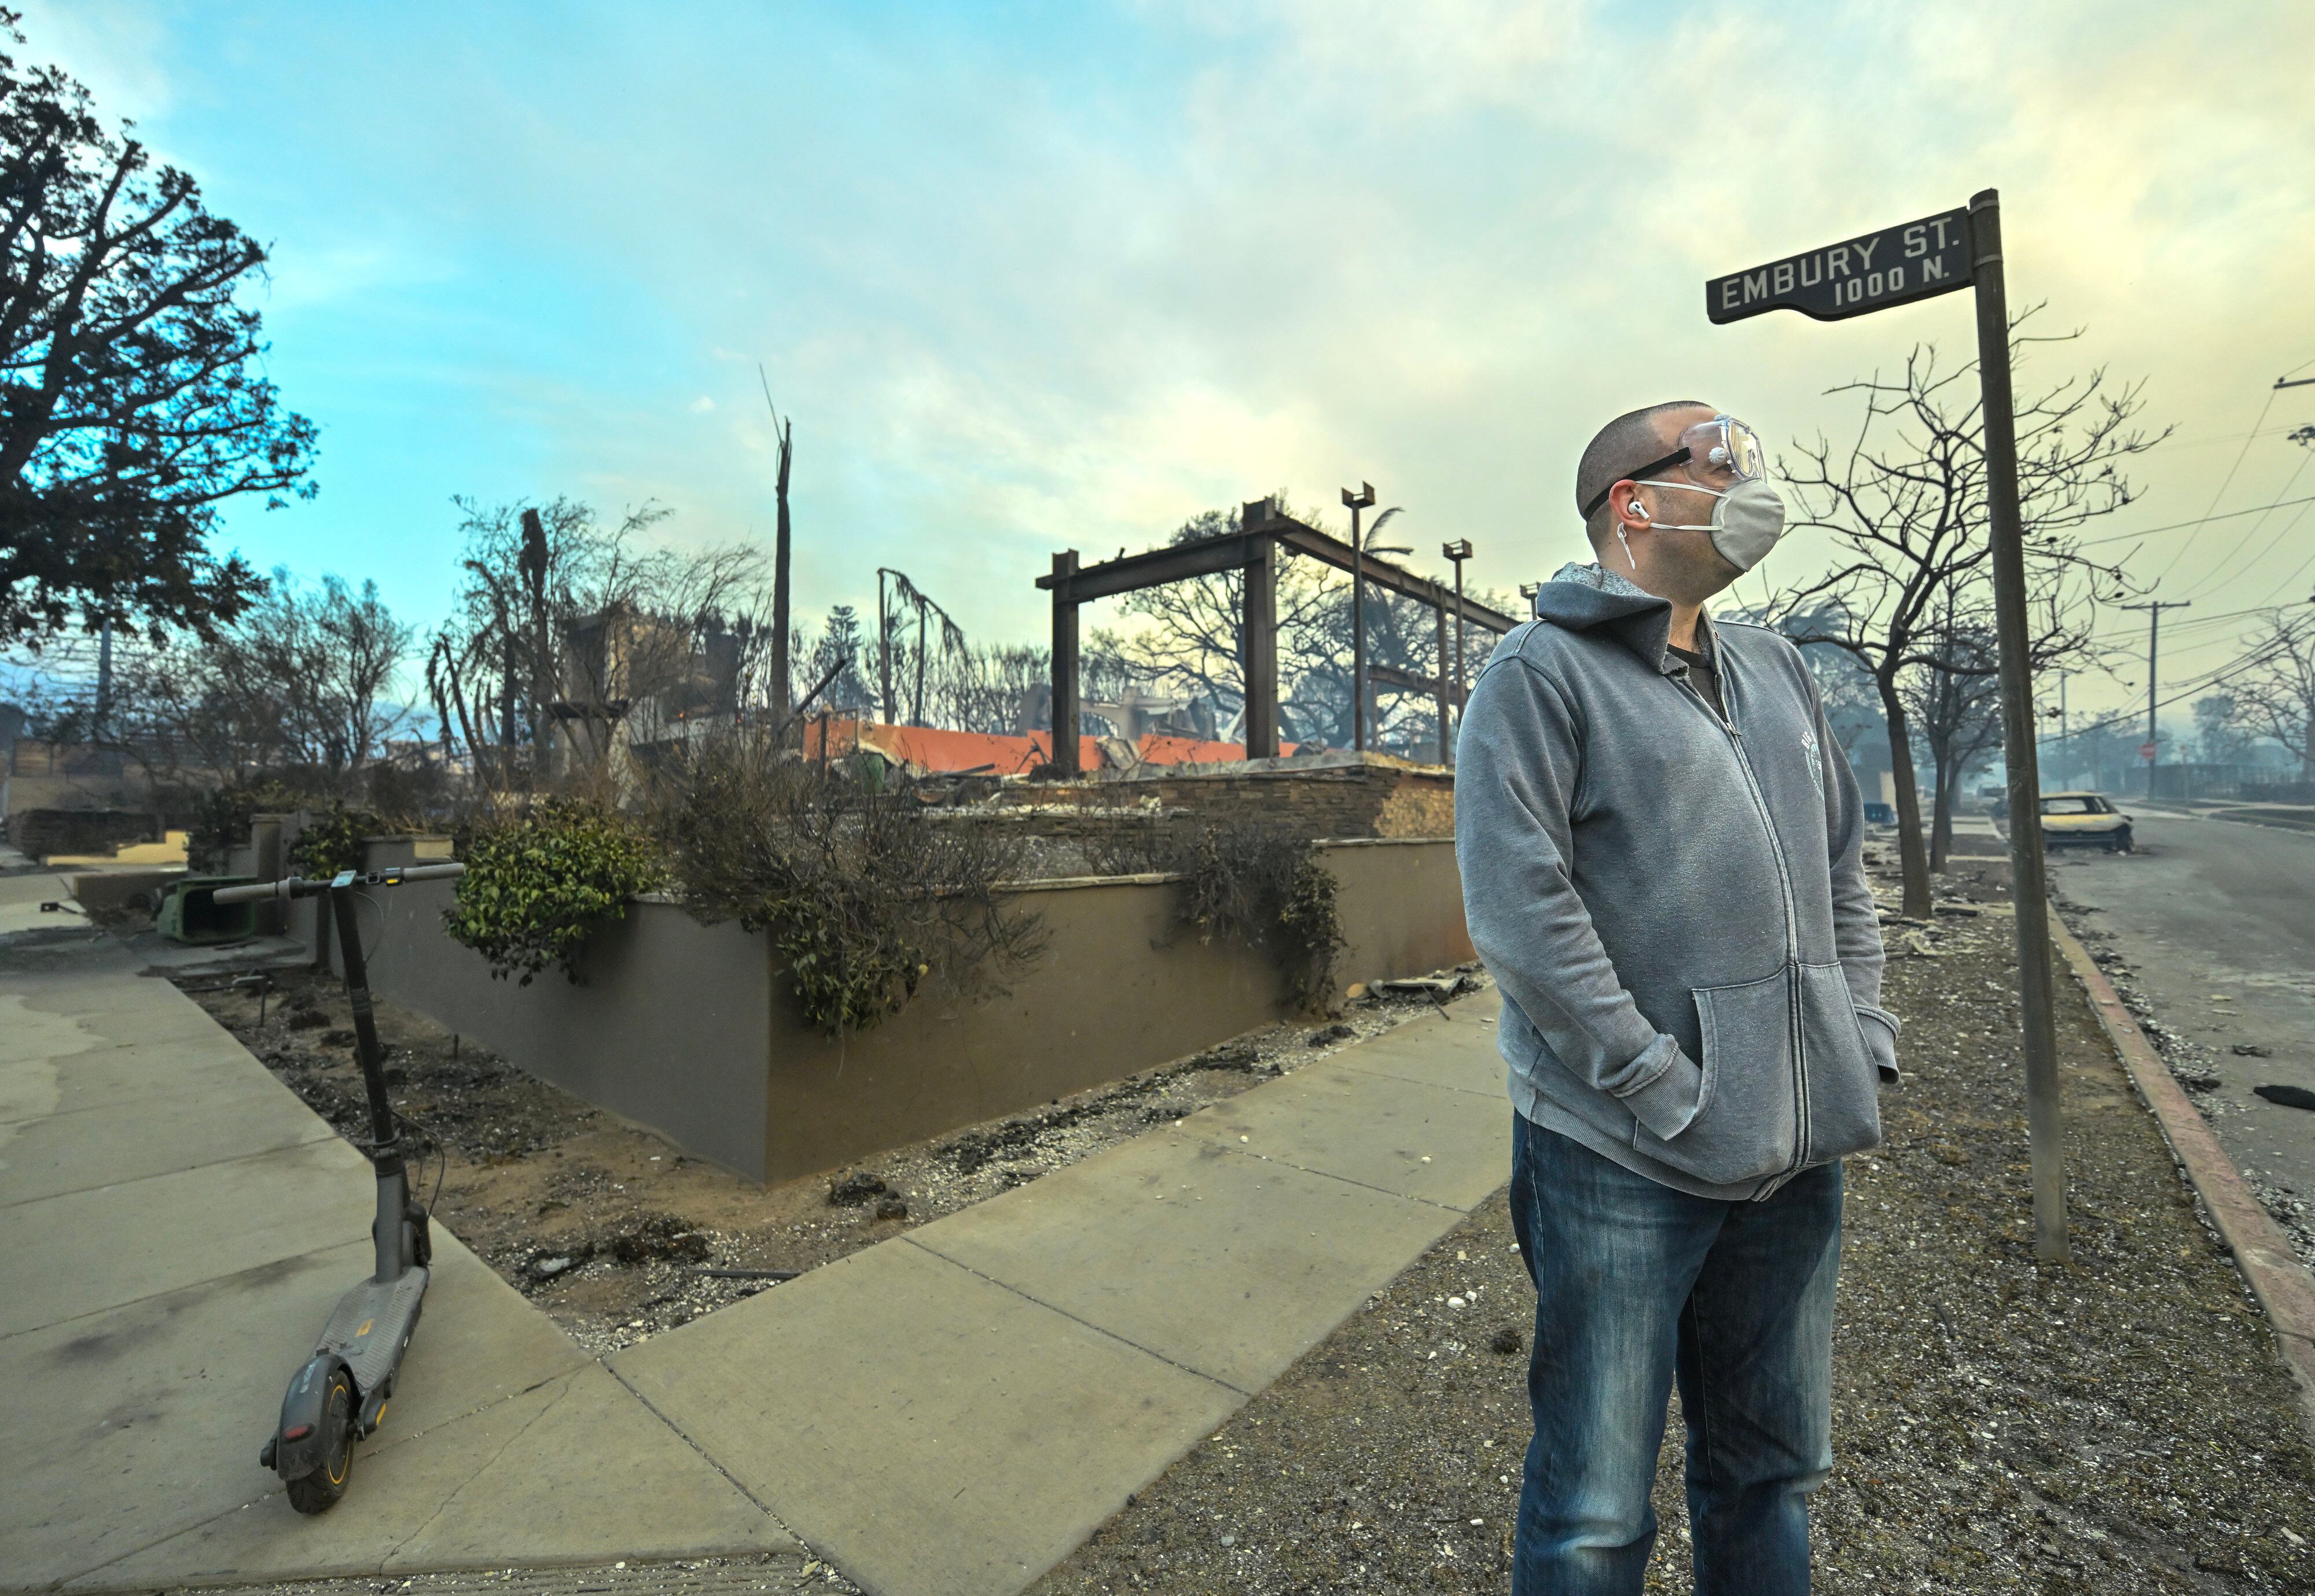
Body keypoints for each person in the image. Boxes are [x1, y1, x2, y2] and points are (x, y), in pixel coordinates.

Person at [1453, 400, 1898, 1594]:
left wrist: (1857, 1037)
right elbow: (1519, 915)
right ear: (1633, 503)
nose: (1747, 478)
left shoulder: (1778, 668)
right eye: (1717, 459)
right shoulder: (1537, 675)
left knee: (1770, 1470)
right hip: (1619, 1155)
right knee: (1595, 1509)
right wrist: (1658, 1082)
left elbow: (1839, 866)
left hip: (1795, 1152)